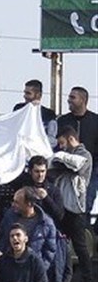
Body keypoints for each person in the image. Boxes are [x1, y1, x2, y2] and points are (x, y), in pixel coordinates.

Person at [50, 125, 93, 282]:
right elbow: (51, 165)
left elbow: (78, 164)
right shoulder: (63, 157)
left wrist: (60, 156)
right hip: (61, 207)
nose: (60, 147)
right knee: (59, 244)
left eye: (62, 143)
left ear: (70, 139)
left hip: (75, 208)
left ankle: (88, 280)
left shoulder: (85, 154)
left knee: (80, 246)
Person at [57, 87, 98, 216]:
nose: (69, 100)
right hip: (67, 171)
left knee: (85, 205)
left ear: (83, 100)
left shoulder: (95, 121)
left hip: (90, 171)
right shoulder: (62, 121)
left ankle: (86, 234)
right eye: (69, 97)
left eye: (72, 97)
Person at [13, 79, 58, 146]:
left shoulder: (48, 114)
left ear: (38, 95)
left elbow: (52, 139)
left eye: (28, 93)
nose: (25, 96)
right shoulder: (18, 108)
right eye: (25, 93)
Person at [22, 155, 64, 226]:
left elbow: (59, 215)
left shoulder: (53, 190)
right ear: (30, 171)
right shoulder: (23, 188)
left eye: (42, 171)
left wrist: (46, 198)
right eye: (37, 171)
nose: (40, 175)